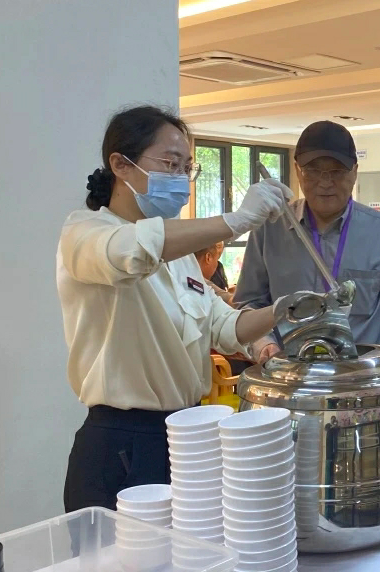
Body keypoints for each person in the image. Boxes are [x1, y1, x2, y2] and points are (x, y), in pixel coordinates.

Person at [58, 105, 293, 512]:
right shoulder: (85, 233)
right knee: (126, 553)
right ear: (121, 164)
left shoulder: (182, 256)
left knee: (196, 547)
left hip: (187, 435)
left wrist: (285, 309)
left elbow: (226, 328)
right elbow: (134, 250)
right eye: (170, 164)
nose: (182, 178)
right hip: (124, 439)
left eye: (187, 168)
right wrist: (237, 220)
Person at [234, 121, 380, 362]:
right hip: (290, 376)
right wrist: (264, 344)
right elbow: (249, 302)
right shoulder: (269, 228)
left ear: (354, 172)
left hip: (361, 376)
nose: (325, 182)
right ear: (297, 170)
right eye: (313, 170)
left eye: (337, 171)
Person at [195, 242, 235, 306]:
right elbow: (234, 303)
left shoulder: (185, 275)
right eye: (216, 259)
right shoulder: (200, 283)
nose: (216, 265)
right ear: (208, 257)